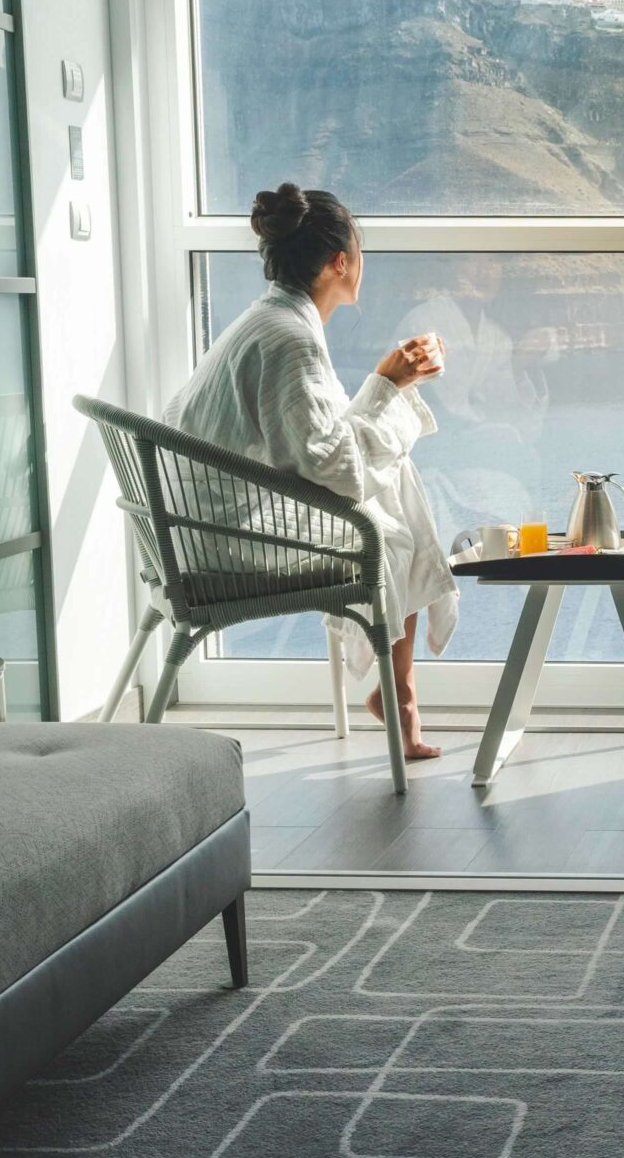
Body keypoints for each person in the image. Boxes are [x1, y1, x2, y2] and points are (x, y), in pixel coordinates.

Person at [168, 183, 459, 758]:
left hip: (190, 526)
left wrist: (387, 386)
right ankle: (400, 694)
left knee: (393, 486)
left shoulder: (267, 320)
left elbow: (319, 448)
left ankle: (400, 692)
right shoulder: (291, 341)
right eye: (359, 251)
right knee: (391, 531)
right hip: (225, 545)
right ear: (338, 262)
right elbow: (338, 471)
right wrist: (391, 387)